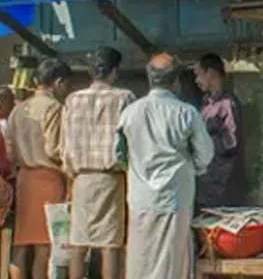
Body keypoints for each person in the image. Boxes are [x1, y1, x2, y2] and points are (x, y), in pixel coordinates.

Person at [118, 53, 214, 279]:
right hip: (175, 197)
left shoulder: (129, 113)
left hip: (140, 200)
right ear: (175, 82)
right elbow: (205, 154)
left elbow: (119, 155)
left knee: (141, 259)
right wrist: (194, 169)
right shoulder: (186, 113)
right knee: (172, 261)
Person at [61, 47, 135, 279]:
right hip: (111, 178)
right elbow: (130, 142)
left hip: (81, 179)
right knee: (110, 244)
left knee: (78, 242)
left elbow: (65, 143)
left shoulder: (73, 99)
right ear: (114, 72)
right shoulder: (124, 98)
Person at [8, 58, 70, 279]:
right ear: (58, 82)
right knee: (45, 247)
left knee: (21, 244)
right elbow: (54, 149)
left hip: (24, 180)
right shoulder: (54, 108)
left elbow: (10, 151)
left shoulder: (18, 110)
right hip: (48, 181)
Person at [193, 53, 246, 209]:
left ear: (210, 73)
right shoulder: (206, 104)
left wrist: (203, 144)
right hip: (207, 181)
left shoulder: (228, 104)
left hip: (222, 184)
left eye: (198, 75)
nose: (196, 80)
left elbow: (231, 142)